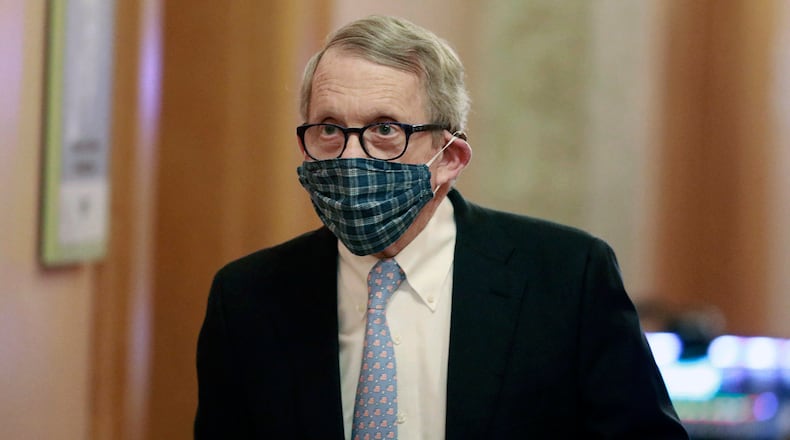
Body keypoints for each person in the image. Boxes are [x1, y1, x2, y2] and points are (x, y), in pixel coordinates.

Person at [195, 15, 688, 440]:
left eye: (384, 129)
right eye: (328, 128)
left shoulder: (566, 277)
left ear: (449, 158)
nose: (350, 156)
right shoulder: (247, 298)